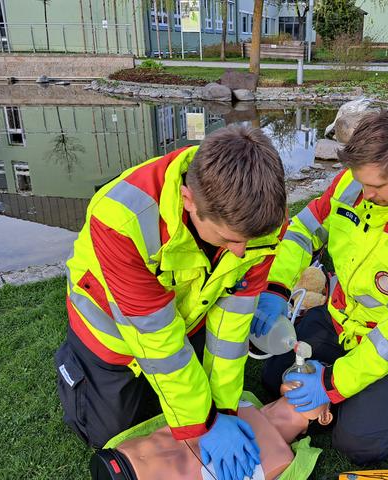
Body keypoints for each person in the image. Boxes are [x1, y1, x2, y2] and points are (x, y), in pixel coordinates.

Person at [55, 125, 287, 480]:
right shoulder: (122, 219)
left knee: (188, 403)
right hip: (111, 333)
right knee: (112, 436)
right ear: (188, 200)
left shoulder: (262, 218)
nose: (242, 252)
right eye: (229, 240)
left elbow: (231, 326)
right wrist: (204, 423)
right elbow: (156, 338)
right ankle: (77, 368)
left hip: (184, 315)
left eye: (247, 242)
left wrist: (222, 410)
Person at [254, 111, 388, 464]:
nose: (365, 194)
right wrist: (276, 289)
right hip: (342, 320)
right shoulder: (351, 184)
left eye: (376, 187)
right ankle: (352, 389)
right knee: (274, 376)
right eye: (361, 181)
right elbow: (304, 230)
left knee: (359, 442)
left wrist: (330, 385)